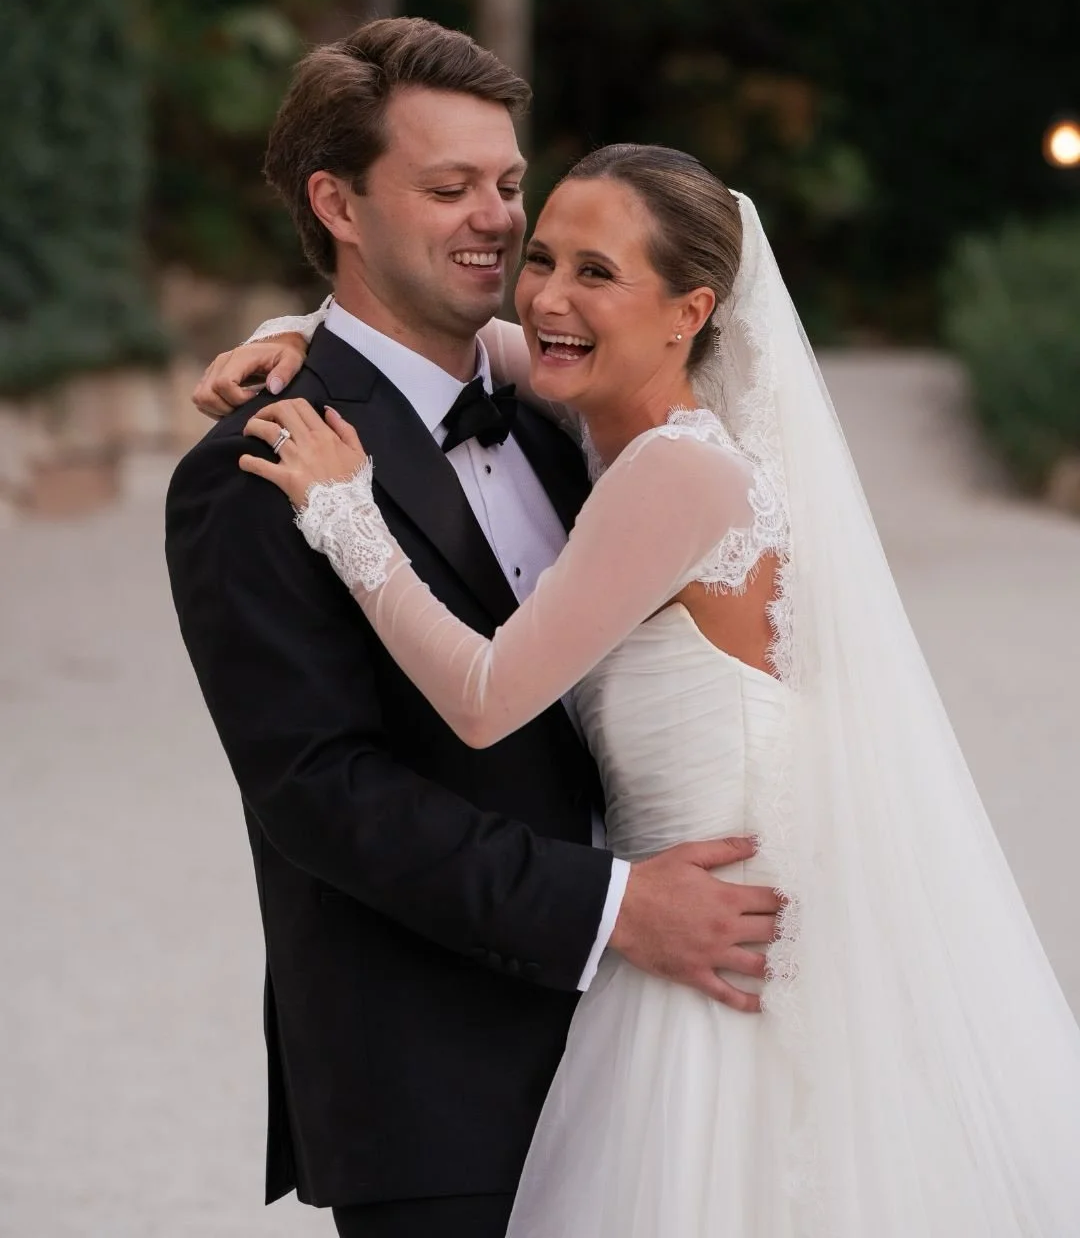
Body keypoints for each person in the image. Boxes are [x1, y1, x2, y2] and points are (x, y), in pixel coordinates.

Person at [203, 140, 1080, 1235]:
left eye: (597, 272)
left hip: (708, 959)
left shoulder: (675, 473)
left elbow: (483, 696)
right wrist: (287, 338)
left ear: (690, 311)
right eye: (547, 258)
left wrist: (348, 518)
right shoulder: (620, 409)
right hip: (663, 940)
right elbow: (460, 346)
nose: (551, 297)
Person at [166, 19, 780, 1238]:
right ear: (337, 203)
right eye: (449, 188)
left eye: (507, 184)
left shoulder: (571, 401)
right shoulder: (261, 468)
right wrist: (610, 909)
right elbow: (321, 792)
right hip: (436, 1082)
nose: (499, 221)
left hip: (677, 1026)